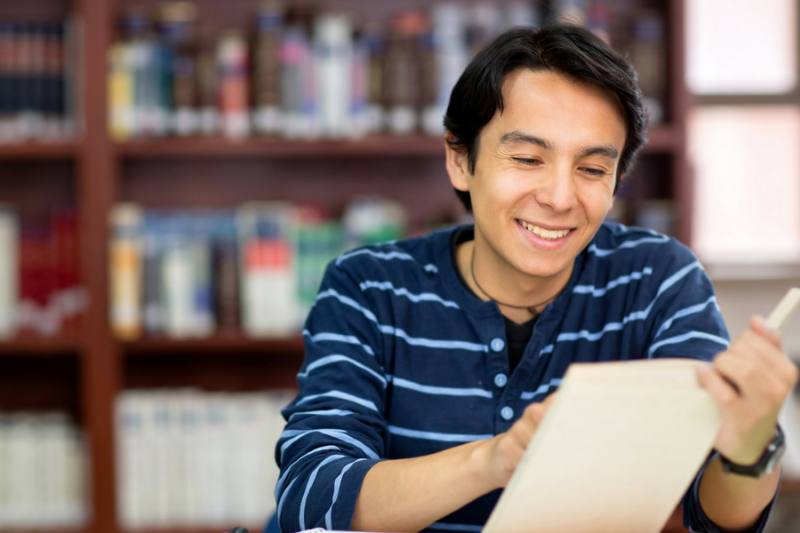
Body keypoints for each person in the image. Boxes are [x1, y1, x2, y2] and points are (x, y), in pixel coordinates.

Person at [274, 24, 798, 533]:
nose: (560, 198)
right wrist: (493, 461)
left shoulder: (657, 280)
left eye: (592, 170)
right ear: (460, 160)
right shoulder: (368, 287)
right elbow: (313, 495)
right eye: (527, 158)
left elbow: (712, 515)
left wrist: (750, 449)